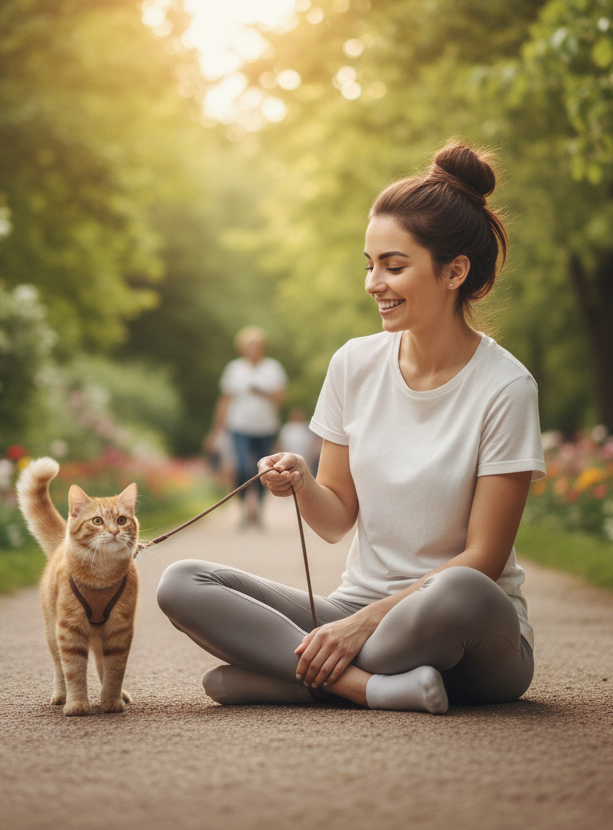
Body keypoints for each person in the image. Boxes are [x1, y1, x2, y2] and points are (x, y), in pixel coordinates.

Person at [159, 141, 545, 714]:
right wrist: (302, 482)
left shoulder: (506, 388)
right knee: (183, 582)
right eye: (369, 266)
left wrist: (360, 628)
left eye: (394, 266)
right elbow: (336, 517)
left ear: (454, 272)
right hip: (354, 611)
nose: (373, 284)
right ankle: (366, 688)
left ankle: (289, 679)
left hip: (469, 633)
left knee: (461, 590)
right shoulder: (353, 365)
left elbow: (484, 558)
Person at [205, 326, 287, 530]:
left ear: (263, 347)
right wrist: (215, 431)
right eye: (250, 345)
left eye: (257, 345)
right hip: (239, 427)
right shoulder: (234, 369)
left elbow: (281, 399)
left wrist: (262, 392)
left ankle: (257, 512)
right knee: (242, 468)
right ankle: (243, 510)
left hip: (265, 428)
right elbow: (224, 401)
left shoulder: (273, 368)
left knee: (264, 472)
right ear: (242, 348)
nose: (253, 349)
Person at [276, 408, 321, 477]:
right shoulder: (287, 429)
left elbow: (313, 444)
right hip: (289, 454)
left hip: (306, 457)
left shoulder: (307, 428)